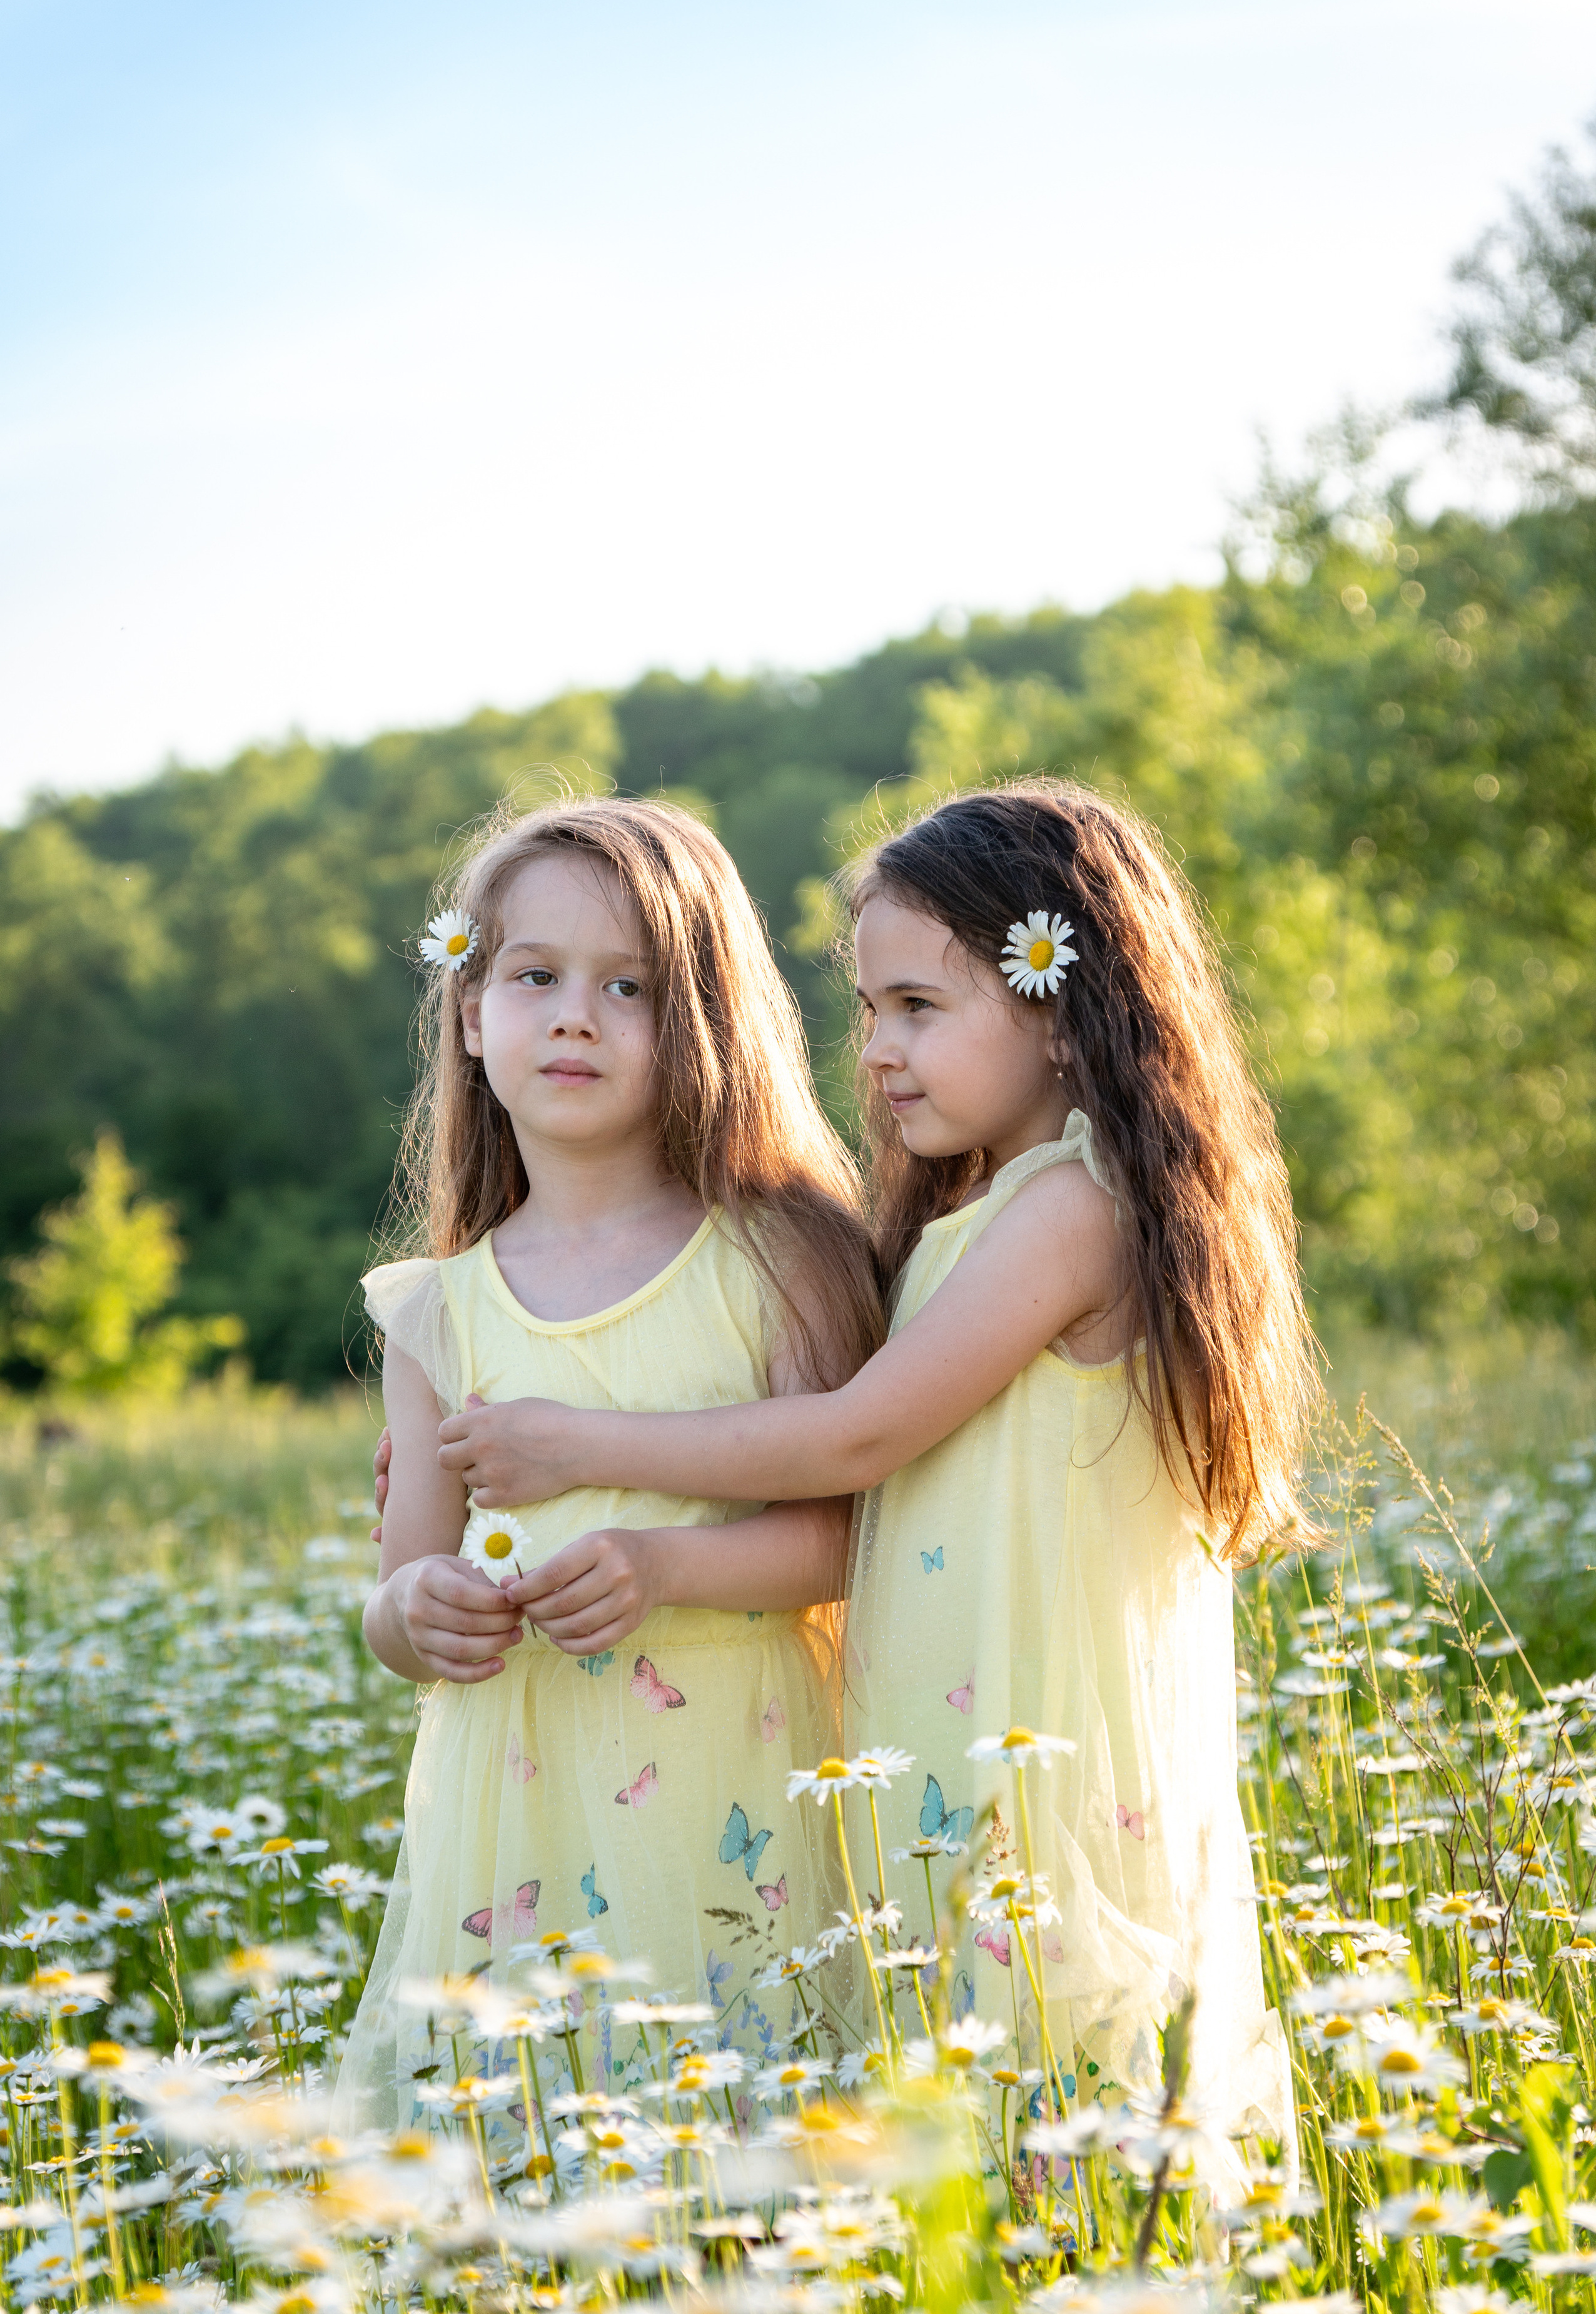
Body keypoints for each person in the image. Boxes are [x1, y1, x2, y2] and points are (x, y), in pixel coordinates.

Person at [413, 781, 1312, 2145]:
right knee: (962, 2114)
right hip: (943, 1737)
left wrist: (574, 1442)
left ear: (1058, 999)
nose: (878, 1053)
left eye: (918, 1008)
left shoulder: (1072, 1208)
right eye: (870, 1010)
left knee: (1063, 2100)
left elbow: (856, 1437)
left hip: (1035, 1740)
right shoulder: (977, 1216)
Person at [336, 795, 882, 2131]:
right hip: (513, 1796)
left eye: (625, 987)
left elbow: (844, 1533)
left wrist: (661, 1562)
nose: (572, 1015)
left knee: (746, 2142)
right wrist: (421, 1611)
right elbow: (399, 1592)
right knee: (532, 2145)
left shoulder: (776, 1257)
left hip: (729, 1775)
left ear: (698, 1019)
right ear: (471, 1014)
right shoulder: (437, 1312)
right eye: (534, 978)